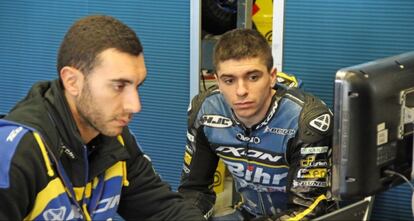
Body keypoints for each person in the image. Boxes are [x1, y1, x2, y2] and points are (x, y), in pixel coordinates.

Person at [0, 15, 204, 221]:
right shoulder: (15, 153)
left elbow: (163, 210)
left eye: (137, 86)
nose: (135, 105)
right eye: (119, 86)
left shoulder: (114, 136)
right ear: (72, 82)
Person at [179, 28, 336, 220]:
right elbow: (195, 189)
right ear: (218, 82)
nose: (241, 91)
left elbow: (306, 209)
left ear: (272, 77)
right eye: (229, 80)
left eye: (253, 77)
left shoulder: (307, 122)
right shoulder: (204, 111)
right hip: (249, 213)